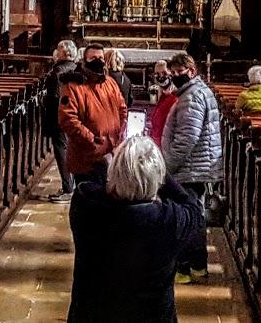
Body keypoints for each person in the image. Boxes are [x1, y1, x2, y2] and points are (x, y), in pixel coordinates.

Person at [68, 136, 203, 323]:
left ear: (113, 173)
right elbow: (192, 206)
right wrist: (157, 171)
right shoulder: (170, 221)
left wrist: (117, 164)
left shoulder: (86, 206)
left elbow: (92, 185)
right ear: (158, 178)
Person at [161, 52, 222, 284]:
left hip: (190, 167)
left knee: (187, 219)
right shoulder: (196, 91)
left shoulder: (191, 97)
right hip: (197, 165)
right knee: (195, 216)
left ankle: (185, 268)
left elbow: (186, 139)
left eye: (179, 73)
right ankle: (197, 266)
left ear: (192, 71)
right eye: (173, 73)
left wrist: (166, 167)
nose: (176, 77)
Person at [59, 43, 128, 186]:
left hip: (111, 153)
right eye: (93, 58)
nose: (98, 61)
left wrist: (118, 137)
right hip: (86, 157)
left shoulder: (110, 82)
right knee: (87, 200)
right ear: (84, 61)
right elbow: (68, 119)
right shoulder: (73, 86)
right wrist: (92, 140)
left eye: (101, 58)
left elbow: (122, 109)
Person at [43, 39, 79, 202]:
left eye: (58, 49)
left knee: (61, 151)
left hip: (60, 118)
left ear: (65, 53)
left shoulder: (58, 72)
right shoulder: (75, 69)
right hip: (72, 116)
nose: (55, 52)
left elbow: (56, 98)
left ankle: (68, 188)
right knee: (68, 149)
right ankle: (71, 184)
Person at [149, 60, 178, 147]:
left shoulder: (176, 97)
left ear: (172, 73)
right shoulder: (163, 95)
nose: (161, 77)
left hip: (167, 147)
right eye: (157, 74)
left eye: (164, 73)